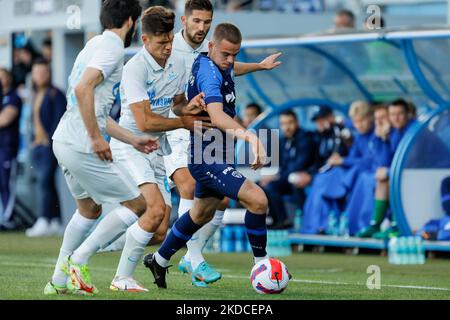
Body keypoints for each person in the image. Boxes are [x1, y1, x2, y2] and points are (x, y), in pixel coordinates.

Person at [64, 6, 207, 294]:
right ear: (144, 40)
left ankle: (94, 253)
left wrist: (188, 107)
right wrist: (184, 121)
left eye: (169, 41)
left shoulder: (177, 62)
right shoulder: (134, 69)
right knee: (152, 210)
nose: (167, 48)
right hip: (131, 145)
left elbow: (176, 101)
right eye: (160, 43)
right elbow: (145, 120)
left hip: (156, 149)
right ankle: (87, 262)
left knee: (159, 230)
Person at [143, 23, 280, 289]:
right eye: (226, 54)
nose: (231, 61)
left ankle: (158, 260)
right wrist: (251, 137)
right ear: (211, 47)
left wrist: (259, 66)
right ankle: (262, 264)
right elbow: (216, 116)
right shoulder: (208, 75)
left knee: (200, 214)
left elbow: (232, 68)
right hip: (207, 156)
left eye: (235, 54)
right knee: (258, 199)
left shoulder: (214, 63)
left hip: (216, 152)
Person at [44, 0, 160, 296]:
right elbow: (83, 89)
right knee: (138, 206)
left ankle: (58, 280)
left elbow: (90, 105)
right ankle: (79, 260)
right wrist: (96, 139)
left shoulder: (93, 45)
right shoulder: (112, 49)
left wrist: (131, 139)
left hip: (64, 140)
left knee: (89, 208)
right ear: (132, 22)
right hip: (82, 143)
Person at [356, 99, 417, 238]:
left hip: (424, 174)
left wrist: (388, 171)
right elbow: (383, 162)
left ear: (408, 114)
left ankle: (397, 226)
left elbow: (411, 163)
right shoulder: (395, 132)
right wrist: (381, 138)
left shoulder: (414, 130)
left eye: (400, 113)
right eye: (392, 114)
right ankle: (375, 224)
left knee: (391, 179)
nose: (396, 118)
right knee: (383, 180)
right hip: (408, 174)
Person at [25, 59, 66, 237]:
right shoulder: (34, 94)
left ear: (48, 74)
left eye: (43, 72)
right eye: (37, 73)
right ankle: (55, 221)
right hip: (37, 146)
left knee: (44, 182)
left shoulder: (55, 94)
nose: (40, 76)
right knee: (48, 184)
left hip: (49, 146)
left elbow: (59, 120)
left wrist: (48, 141)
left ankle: (44, 218)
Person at [260, 110, 315, 229]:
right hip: (287, 178)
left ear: (297, 123)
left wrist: (277, 177)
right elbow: (281, 165)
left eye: (290, 122)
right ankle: (272, 219)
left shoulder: (305, 139)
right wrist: (272, 176)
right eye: (283, 123)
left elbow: (299, 165)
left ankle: (285, 221)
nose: (287, 127)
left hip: (303, 178)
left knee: (272, 186)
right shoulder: (283, 140)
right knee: (260, 185)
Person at [0, 68, 22, 229]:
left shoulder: (14, 97)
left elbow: (4, 119)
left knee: (7, 183)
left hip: (8, 148)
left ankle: (8, 219)